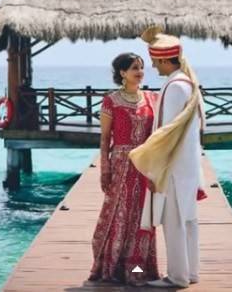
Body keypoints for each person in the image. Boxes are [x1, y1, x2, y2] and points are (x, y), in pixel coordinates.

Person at [129, 26, 206, 288]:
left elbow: (165, 134)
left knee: (174, 223)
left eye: (154, 62)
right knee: (189, 221)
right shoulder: (189, 84)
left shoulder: (174, 87)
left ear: (164, 59)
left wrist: (154, 170)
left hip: (174, 167)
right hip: (189, 165)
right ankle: (191, 272)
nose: (153, 67)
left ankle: (177, 277)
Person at [88, 52, 160, 286]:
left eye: (141, 67)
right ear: (122, 73)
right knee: (118, 217)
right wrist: (104, 170)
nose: (140, 72)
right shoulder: (111, 100)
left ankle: (138, 269)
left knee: (142, 219)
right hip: (121, 165)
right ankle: (113, 268)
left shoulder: (151, 98)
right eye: (134, 68)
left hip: (145, 165)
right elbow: (105, 138)